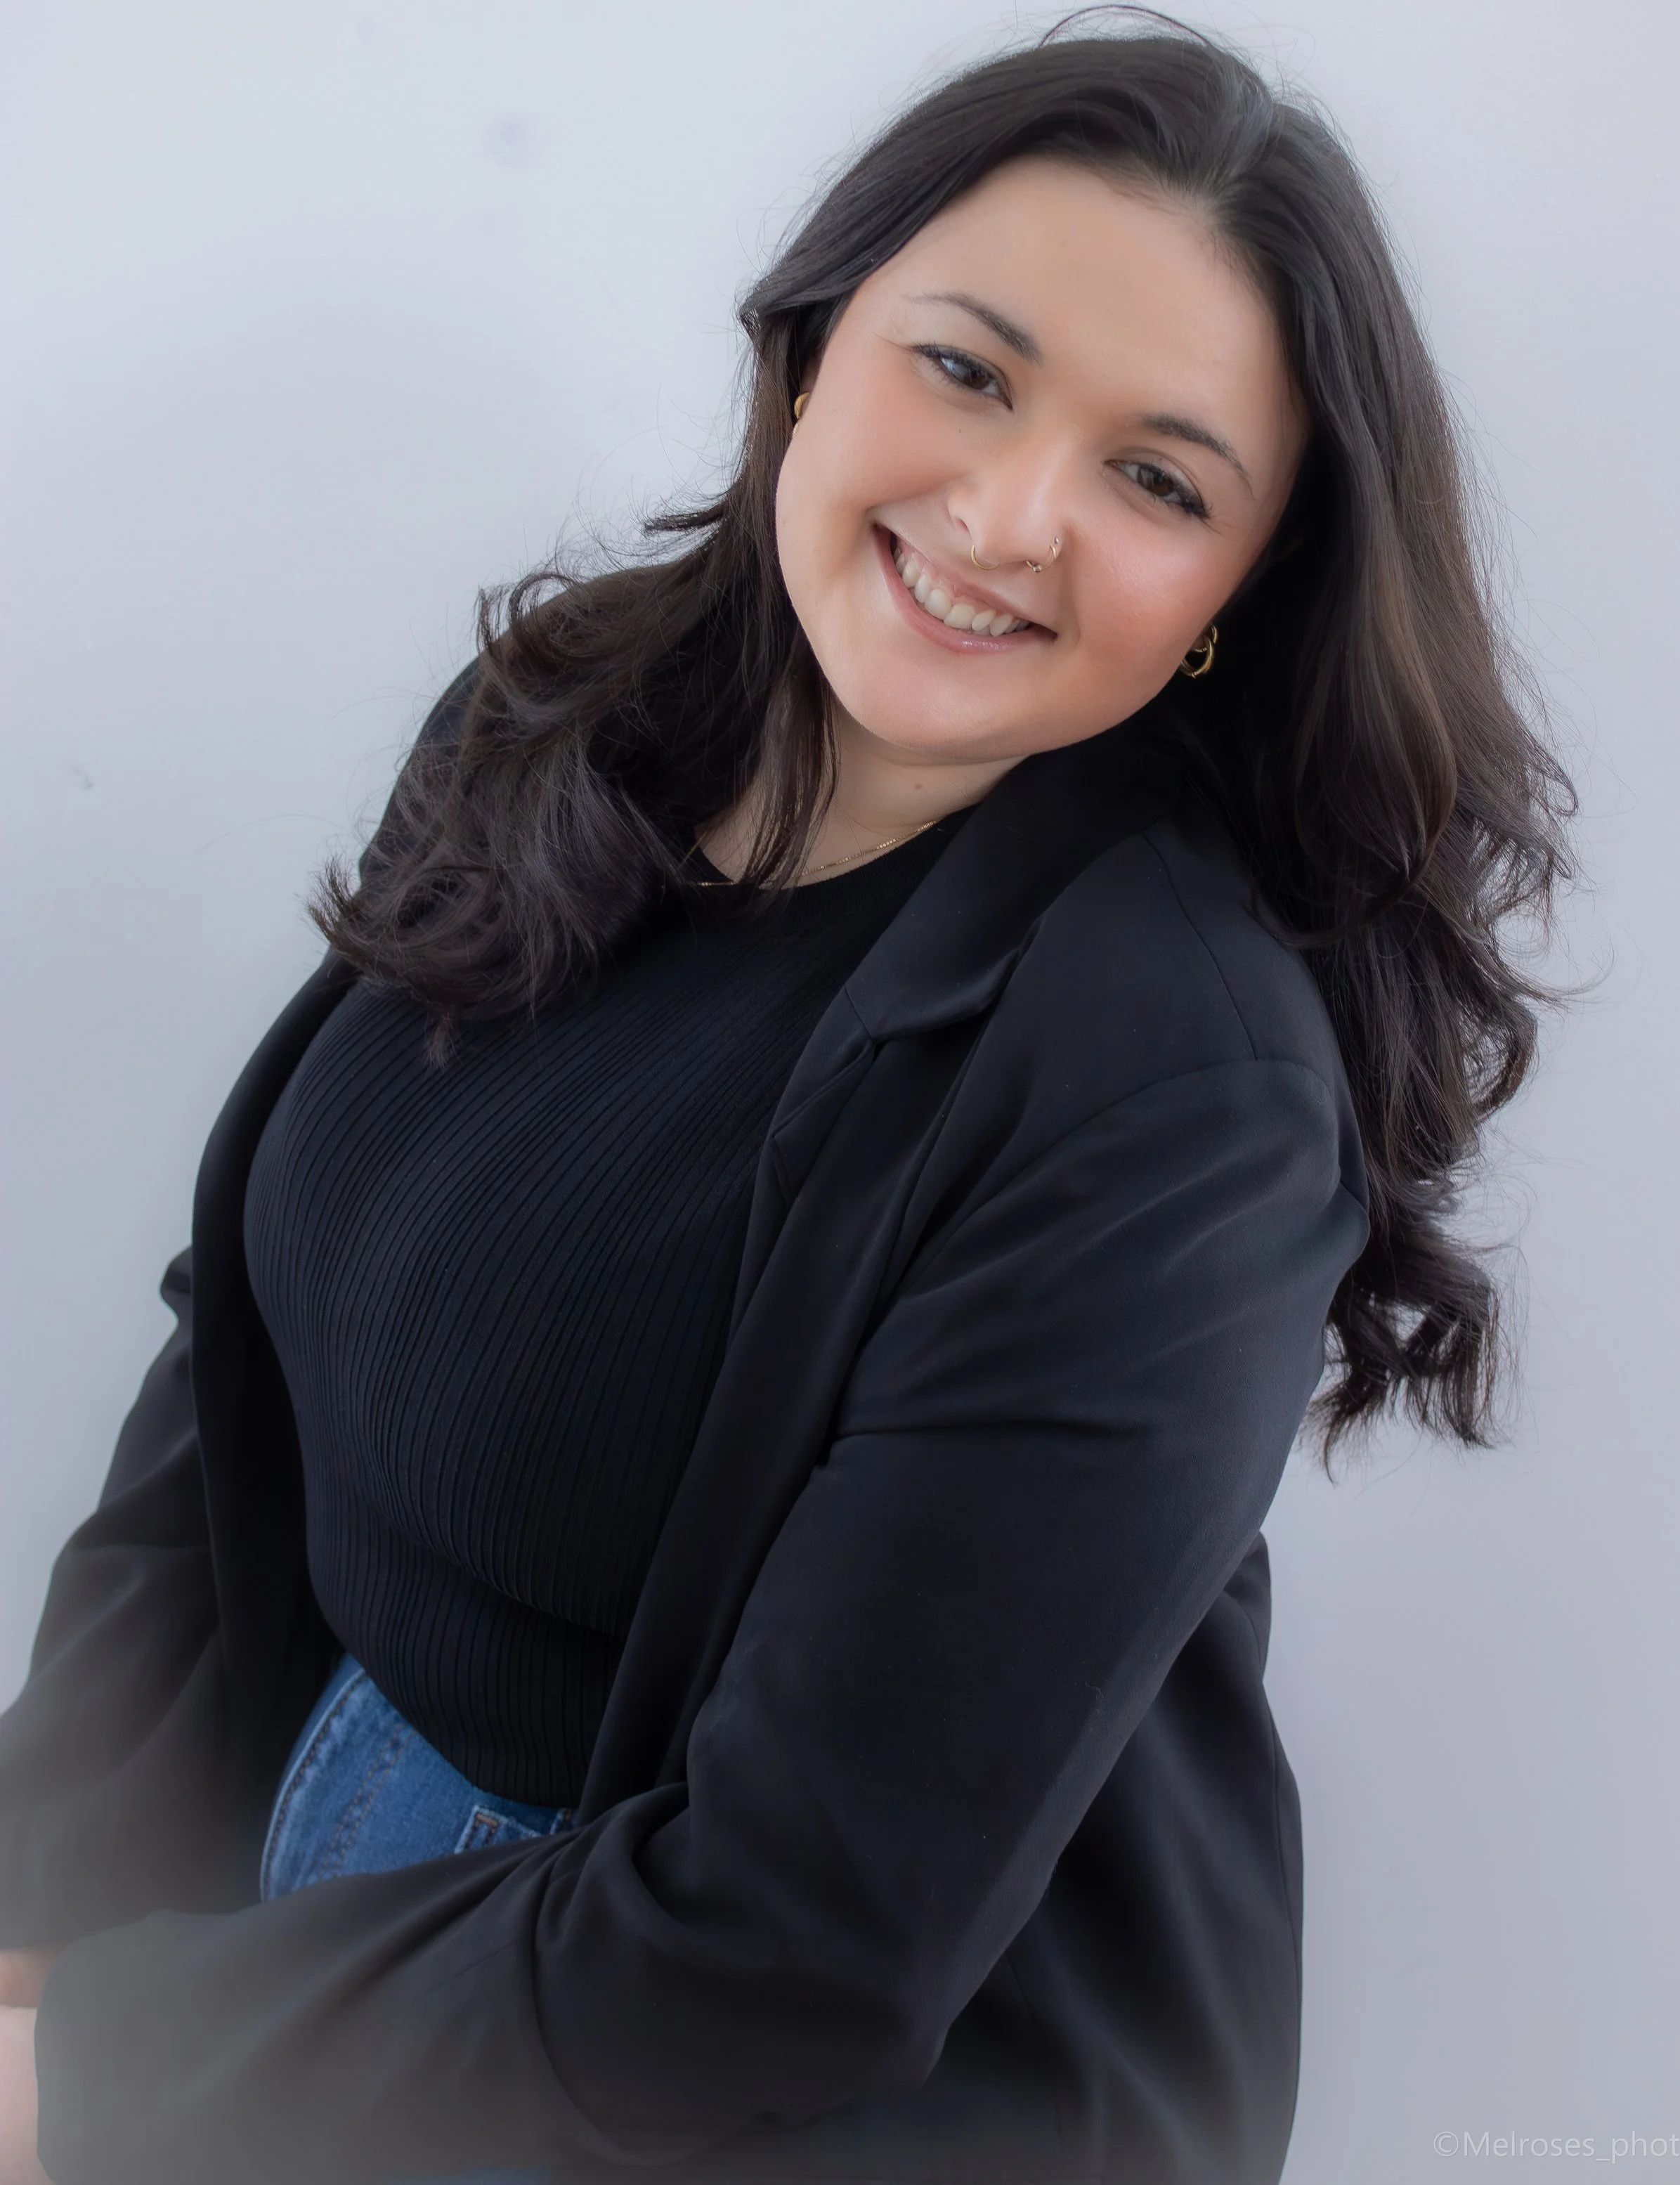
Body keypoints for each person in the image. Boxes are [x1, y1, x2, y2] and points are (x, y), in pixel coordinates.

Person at [0, 21, 1571, 2185]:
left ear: (1238, 592)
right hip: (340, 1878)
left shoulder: (1174, 1086)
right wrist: (50, 1890)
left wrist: (102, 2073)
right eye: (968, 368)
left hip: (743, 2078)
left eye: (1157, 478)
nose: (1007, 517)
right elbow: (241, 1339)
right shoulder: (569, 712)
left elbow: (790, 1949)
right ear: (812, 346)